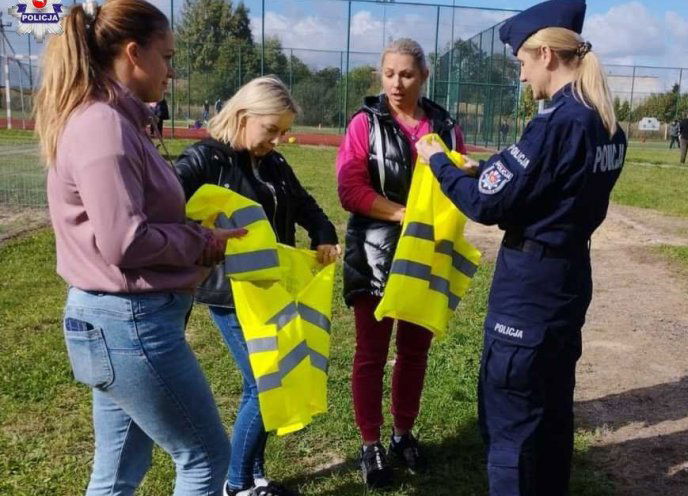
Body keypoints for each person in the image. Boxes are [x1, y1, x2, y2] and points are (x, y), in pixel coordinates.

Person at [415, 1, 626, 494]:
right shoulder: (603, 119)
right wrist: (480, 169)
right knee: (552, 417)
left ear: (547, 54)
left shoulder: (557, 124)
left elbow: (488, 205)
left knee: (511, 426)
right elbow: (540, 182)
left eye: (522, 63)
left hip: (529, 291)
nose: (522, 75)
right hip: (568, 280)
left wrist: (438, 163)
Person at [35, 0, 244, 493]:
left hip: (118, 325)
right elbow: (125, 241)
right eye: (167, 57)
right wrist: (201, 241)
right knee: (206, 458)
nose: (171, 71)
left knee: (117, 473)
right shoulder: (104, 127)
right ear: (134, 53)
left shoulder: (113, 121)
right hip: (128, 326)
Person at [175, 75, 339, 496]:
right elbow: (165, 203)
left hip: (271, 288)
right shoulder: (206, 160)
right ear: (244, 116)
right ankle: (237, 484)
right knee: (262, 384)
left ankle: (255, 474)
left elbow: (304, 203)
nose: (279, 140)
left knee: (275, 379)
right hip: (231, 295)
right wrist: (199, 241)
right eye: (272, 130)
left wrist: (323, 231)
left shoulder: (273, 164)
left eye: (283, 131)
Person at [336, 37, 467, 490]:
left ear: (424, 76)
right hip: (373, 253)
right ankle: (370, 444)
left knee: (415, 352)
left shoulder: (446, 126)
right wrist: (402, 214)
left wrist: (468, 172)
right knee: (371, 354)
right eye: (389, 73)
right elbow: (349, 190)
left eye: (406, 74)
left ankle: (402, 433)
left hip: (427, 255)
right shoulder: (364, 124)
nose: (396, 83)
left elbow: (457, 179)